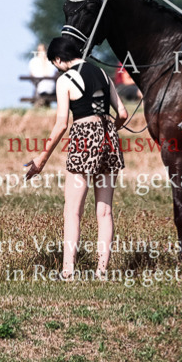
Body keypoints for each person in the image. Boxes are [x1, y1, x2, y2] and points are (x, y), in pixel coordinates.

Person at [24, 36, 129, 280]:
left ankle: (68, 271)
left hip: (83, 137)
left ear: (59, 59)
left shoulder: (65, 80)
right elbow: (122, 112)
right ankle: (101, 272)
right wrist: (112, 128)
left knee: (73, 210)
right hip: (108, 136)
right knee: (104, 211)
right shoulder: (103, 74)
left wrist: (42, 157)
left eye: (55, 63)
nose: (56, 67)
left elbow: (61, 124)